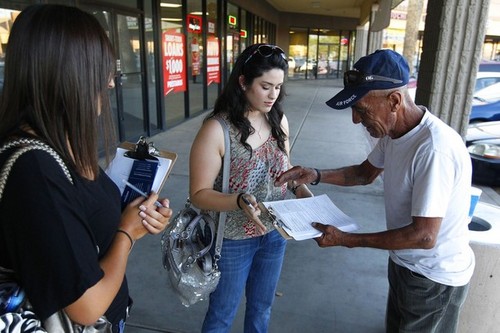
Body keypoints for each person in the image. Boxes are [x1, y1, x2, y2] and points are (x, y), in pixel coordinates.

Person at [275, 49, 475, 333]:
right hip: (406, 264)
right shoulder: (394, 133)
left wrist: (347, 239)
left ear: (394, 100)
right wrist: (316, 174)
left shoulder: (433, 149)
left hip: (434, 278)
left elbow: (425, 235)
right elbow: (363, 173)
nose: (356, 120)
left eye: (362, 109)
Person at [0, 4, 172, 332]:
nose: (109, 84)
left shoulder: (54, 143)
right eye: (100, 71)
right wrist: (127, 233)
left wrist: (138, 217)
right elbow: (87, 306)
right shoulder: (34, 169)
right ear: (66, 73)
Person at [189, 43, 313, 333]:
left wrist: (303, 194)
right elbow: (198, 194)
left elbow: (283, 172)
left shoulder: (278, 119)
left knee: (261, 308)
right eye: (266, 86)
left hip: (274, 234)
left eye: (279, 87)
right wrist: (239, 200)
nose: (274, 95)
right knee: (222, 314)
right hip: (232, 239)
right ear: (243, 82)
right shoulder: (216, 129)